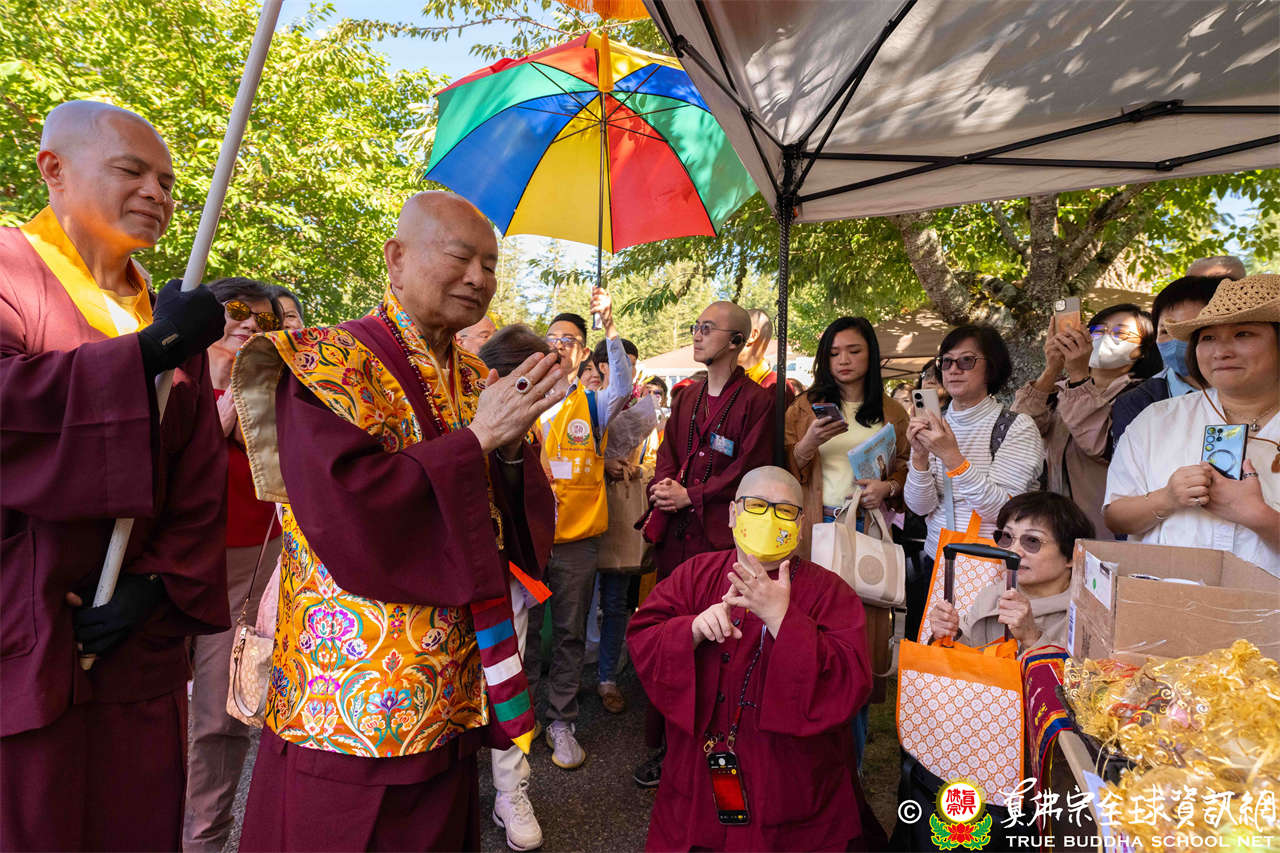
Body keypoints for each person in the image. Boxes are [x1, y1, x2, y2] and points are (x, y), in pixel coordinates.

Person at [234, 191, 562, 851]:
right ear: (396, 258)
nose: (478, 277)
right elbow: (348, 511)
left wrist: (508, 450)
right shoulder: (326, 362)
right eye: (460, 256)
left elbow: (513, 519)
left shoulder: (476, 377)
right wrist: (477, 440)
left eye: (490, 264)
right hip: (350, 696)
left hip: (448, 689)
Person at [0, 101, 228, 850]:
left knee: (134, 819)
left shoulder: (164, 312)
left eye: (168, 182)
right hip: (25, 623)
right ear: (53, 169)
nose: (157, 193)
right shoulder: (10, 270)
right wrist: (146, 354)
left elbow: (198, 481)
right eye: (132, 171)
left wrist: (156, 586)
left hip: (134, 644)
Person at [627, 466, 879, 851]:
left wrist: (783, 620)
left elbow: (851, 681)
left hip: (788, 785)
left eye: (784, 511)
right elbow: (644, 635)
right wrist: (691, 630)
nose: (769, 518)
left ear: (800, 524)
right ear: (732, 514)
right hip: (700, 774)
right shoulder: (696, 574)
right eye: (756, 506)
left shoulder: (831, 592)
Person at [635, 301, 775, 787]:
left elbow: (748, 470)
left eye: (707, 328)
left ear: (736, 342)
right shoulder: (686, 396)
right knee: (672, 632)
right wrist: (666, 488)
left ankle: (709, 747)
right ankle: (663, 747)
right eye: (696, 326)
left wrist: (692, 495)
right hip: (676, 538)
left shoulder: (758, 402)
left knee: (715, 641)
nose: (696, 335)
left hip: (718, 541)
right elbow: (669, 452)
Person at [183, 278, 284, 852]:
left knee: (221, 714)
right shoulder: (169, 375)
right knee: (147, 704)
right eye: (238, 311)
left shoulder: (277, 385)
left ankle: (202, 840)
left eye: (264, 319)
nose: (250, 324)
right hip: (165, 560)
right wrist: (217, 415)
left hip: (249, 560)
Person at [784, 316, 910, 763]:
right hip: (814, 530)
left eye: (854, 351)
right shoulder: (805, 407)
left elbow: (906, 469)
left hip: (865, 529)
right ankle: (808, 748)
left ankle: (851, 759)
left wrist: (888, 487)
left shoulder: (892, 412)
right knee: (809, 632)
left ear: (871, 355)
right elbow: (784, 469)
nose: (843, 360)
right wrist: (807, 444)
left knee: (858, 642)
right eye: (834, 353)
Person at [1105, 274, 1280, 574]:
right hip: (1165, 599)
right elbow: (1116, 517)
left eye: (1243, 334)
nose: (1221, 351)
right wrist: (1167, 498)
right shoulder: (1156, 420)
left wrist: (1259, 517)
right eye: (1208, 338)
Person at [540, 288, 633, 770]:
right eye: (553, 338)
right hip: (527, 539)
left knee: (570, 633)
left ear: (582, 354)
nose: (560, 345)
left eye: (570, 340)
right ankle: (517, 722)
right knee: (522, 635)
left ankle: (561, 720)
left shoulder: (593, 405)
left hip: (576, 542)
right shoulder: (523, 398)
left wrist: (609, 326)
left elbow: (624, 386)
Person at [903, 325, 1044, 629]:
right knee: (931, 653)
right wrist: (920, 457)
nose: (954, 369)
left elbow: (1004, 511)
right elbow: (920, 506)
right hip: (936, 560)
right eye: (946, 362)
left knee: (981, 653)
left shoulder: (1016, 427)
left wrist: (952, 456)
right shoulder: (935, 422)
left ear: (991, 367)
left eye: (966, 361)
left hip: (990, 567)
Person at [477, 322, 553, 851]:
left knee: (509, 682)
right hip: (447, 580)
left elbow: (529, 506)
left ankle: (511, 790)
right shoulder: (456, 412)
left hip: (506, 579)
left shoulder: (529, 430)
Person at [1012, 303, 1159, 539]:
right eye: (1097, 331)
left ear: (1142, 350)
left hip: (1107, 531)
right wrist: (1052, 368)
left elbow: (1099, 445)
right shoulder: (1061, 390)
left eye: (1120, 333)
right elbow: (1019, 431)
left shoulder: (1143, 395)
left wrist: (1079, 376)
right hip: (1053, 528)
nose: (1105, 338)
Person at [928, 491, 1095, 654]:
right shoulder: (991, 596)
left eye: (1032, 541)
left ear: (1073, 555)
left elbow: (1083, 672)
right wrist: (949, 635)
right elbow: (964, 661)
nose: (1014, 551)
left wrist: (1032, 638)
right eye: (1007, 537)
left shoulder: (1088, 617)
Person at [1111, 276, 1223, 445]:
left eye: (1191, 330)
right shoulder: (1137, 402)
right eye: (1165, 331)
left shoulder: (1252, 390)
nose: (1177, 341)